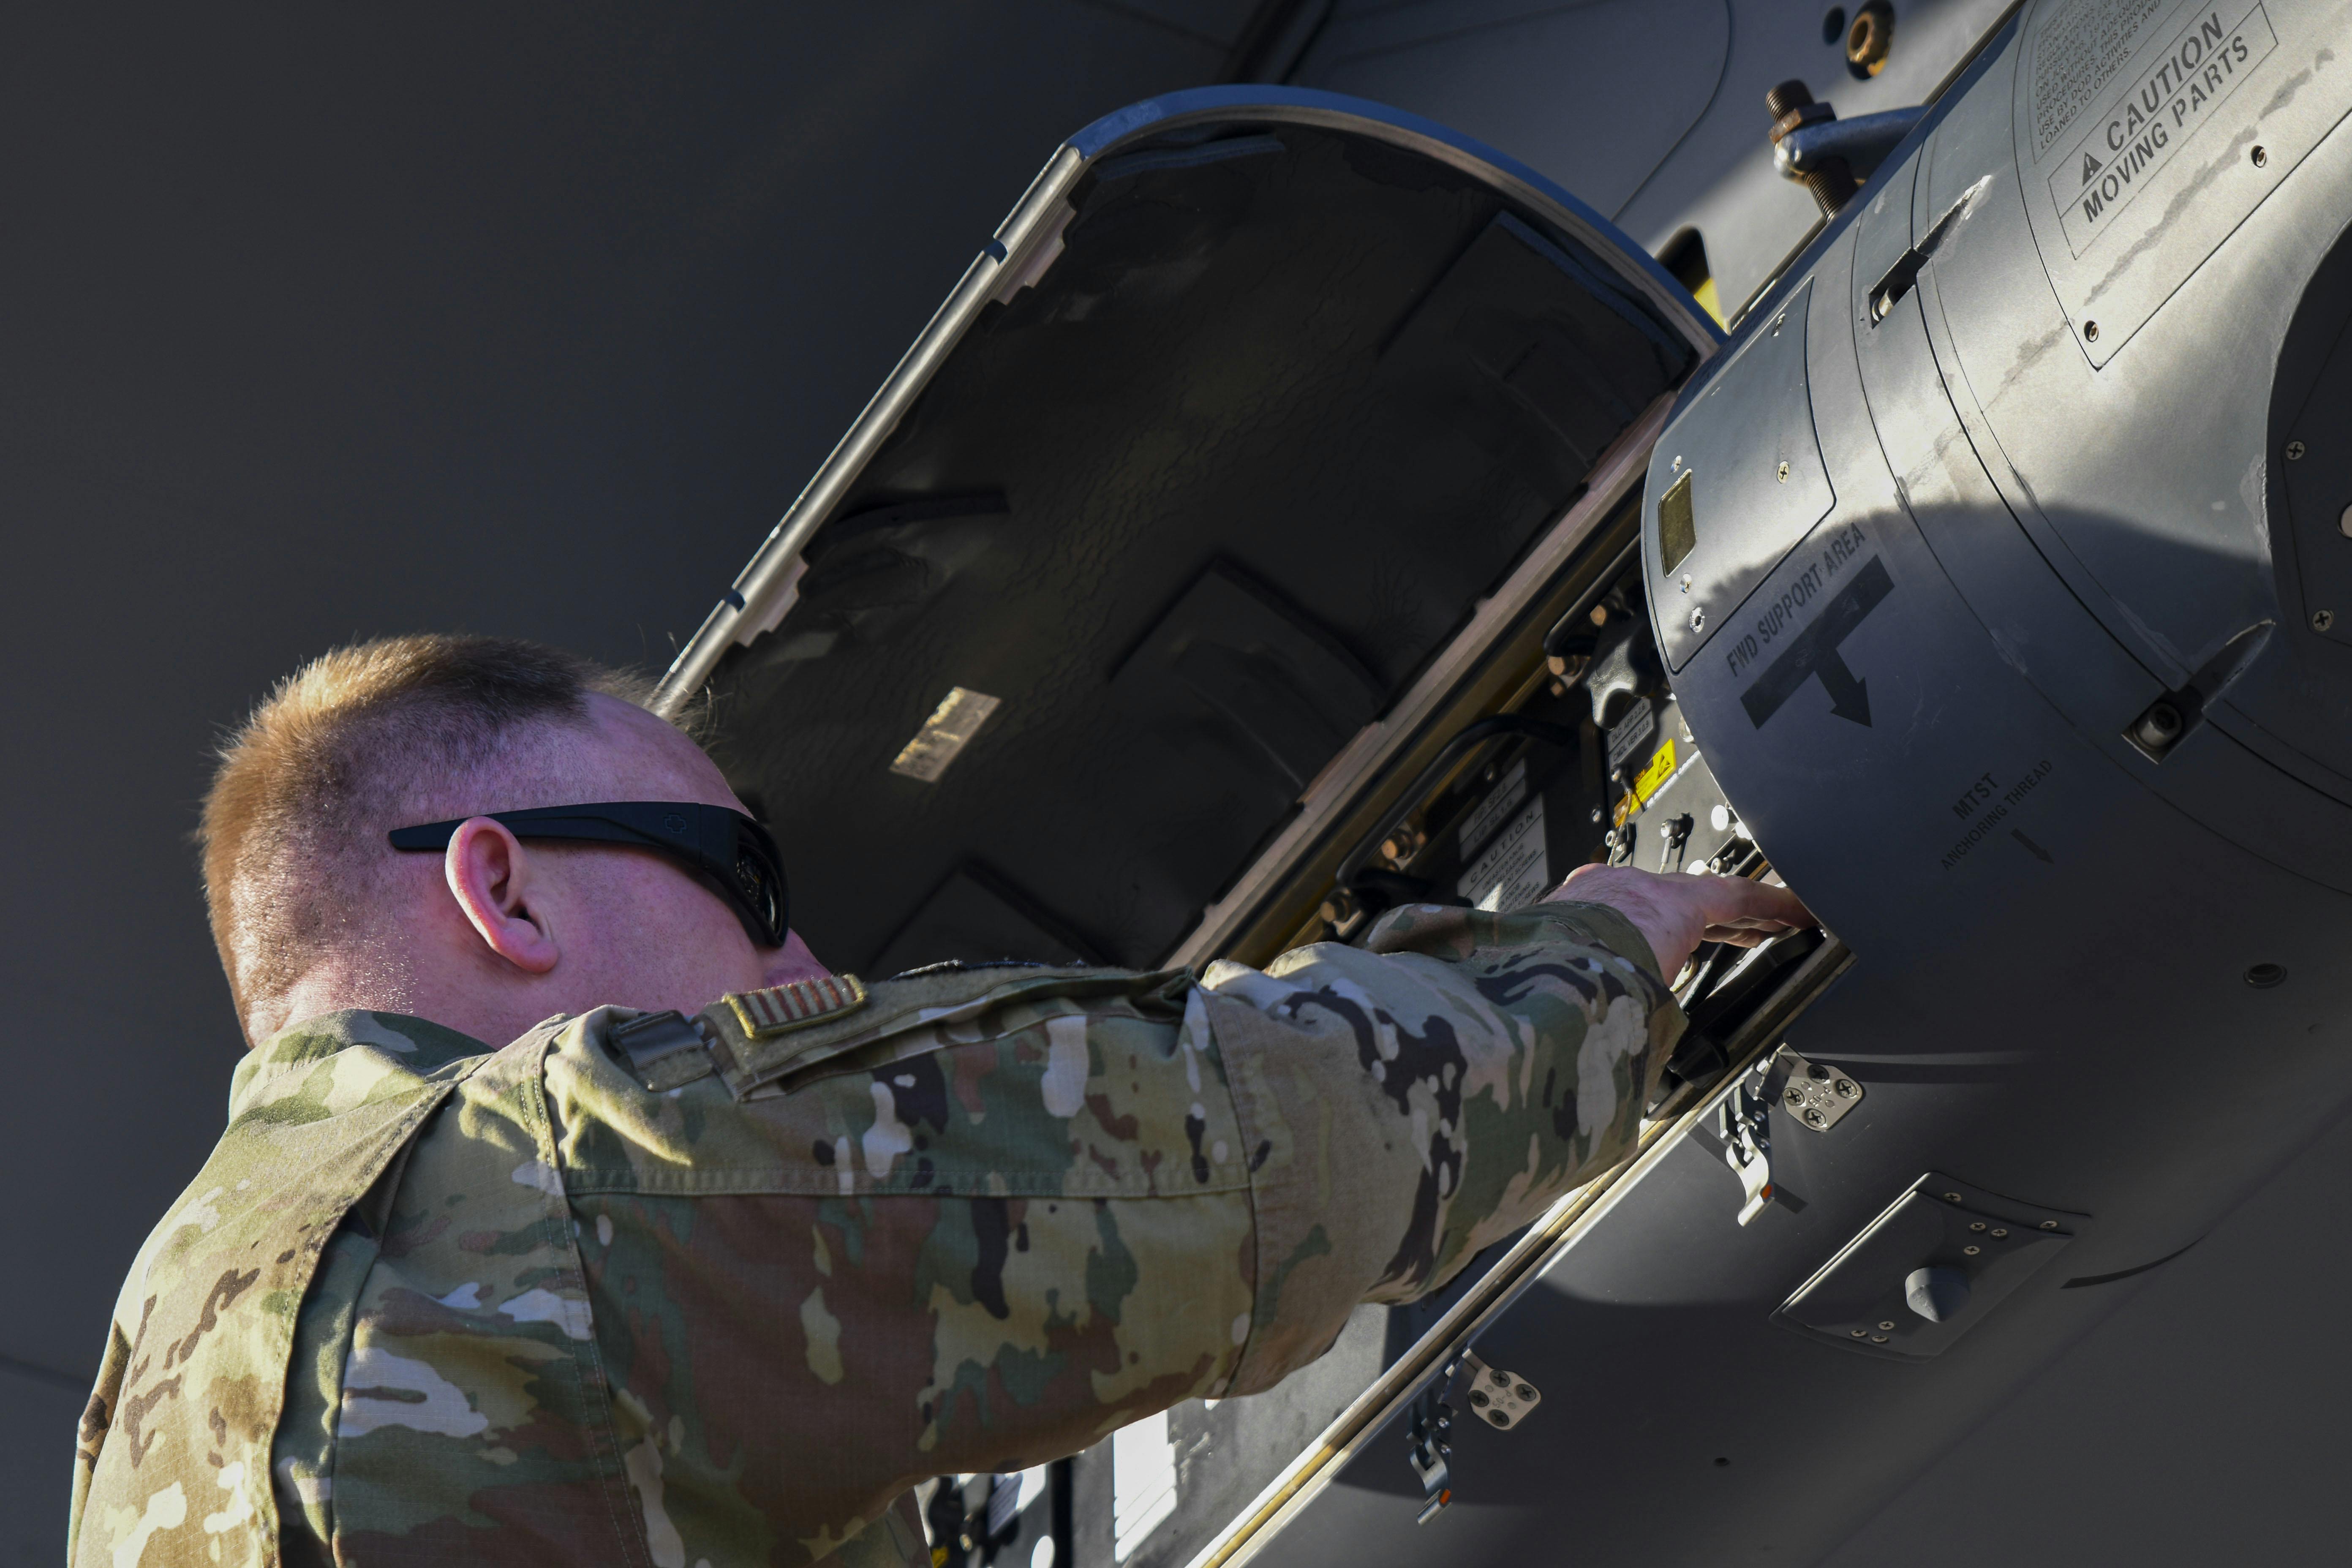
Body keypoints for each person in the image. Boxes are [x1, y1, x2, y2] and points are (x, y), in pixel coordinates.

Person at [69, 634, 1810, 1568]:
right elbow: (1258, 1141)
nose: (800, 950)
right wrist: (1594, 954)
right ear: (500, 893)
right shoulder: (553, 1173)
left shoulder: (142, 1410)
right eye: (741, 874)